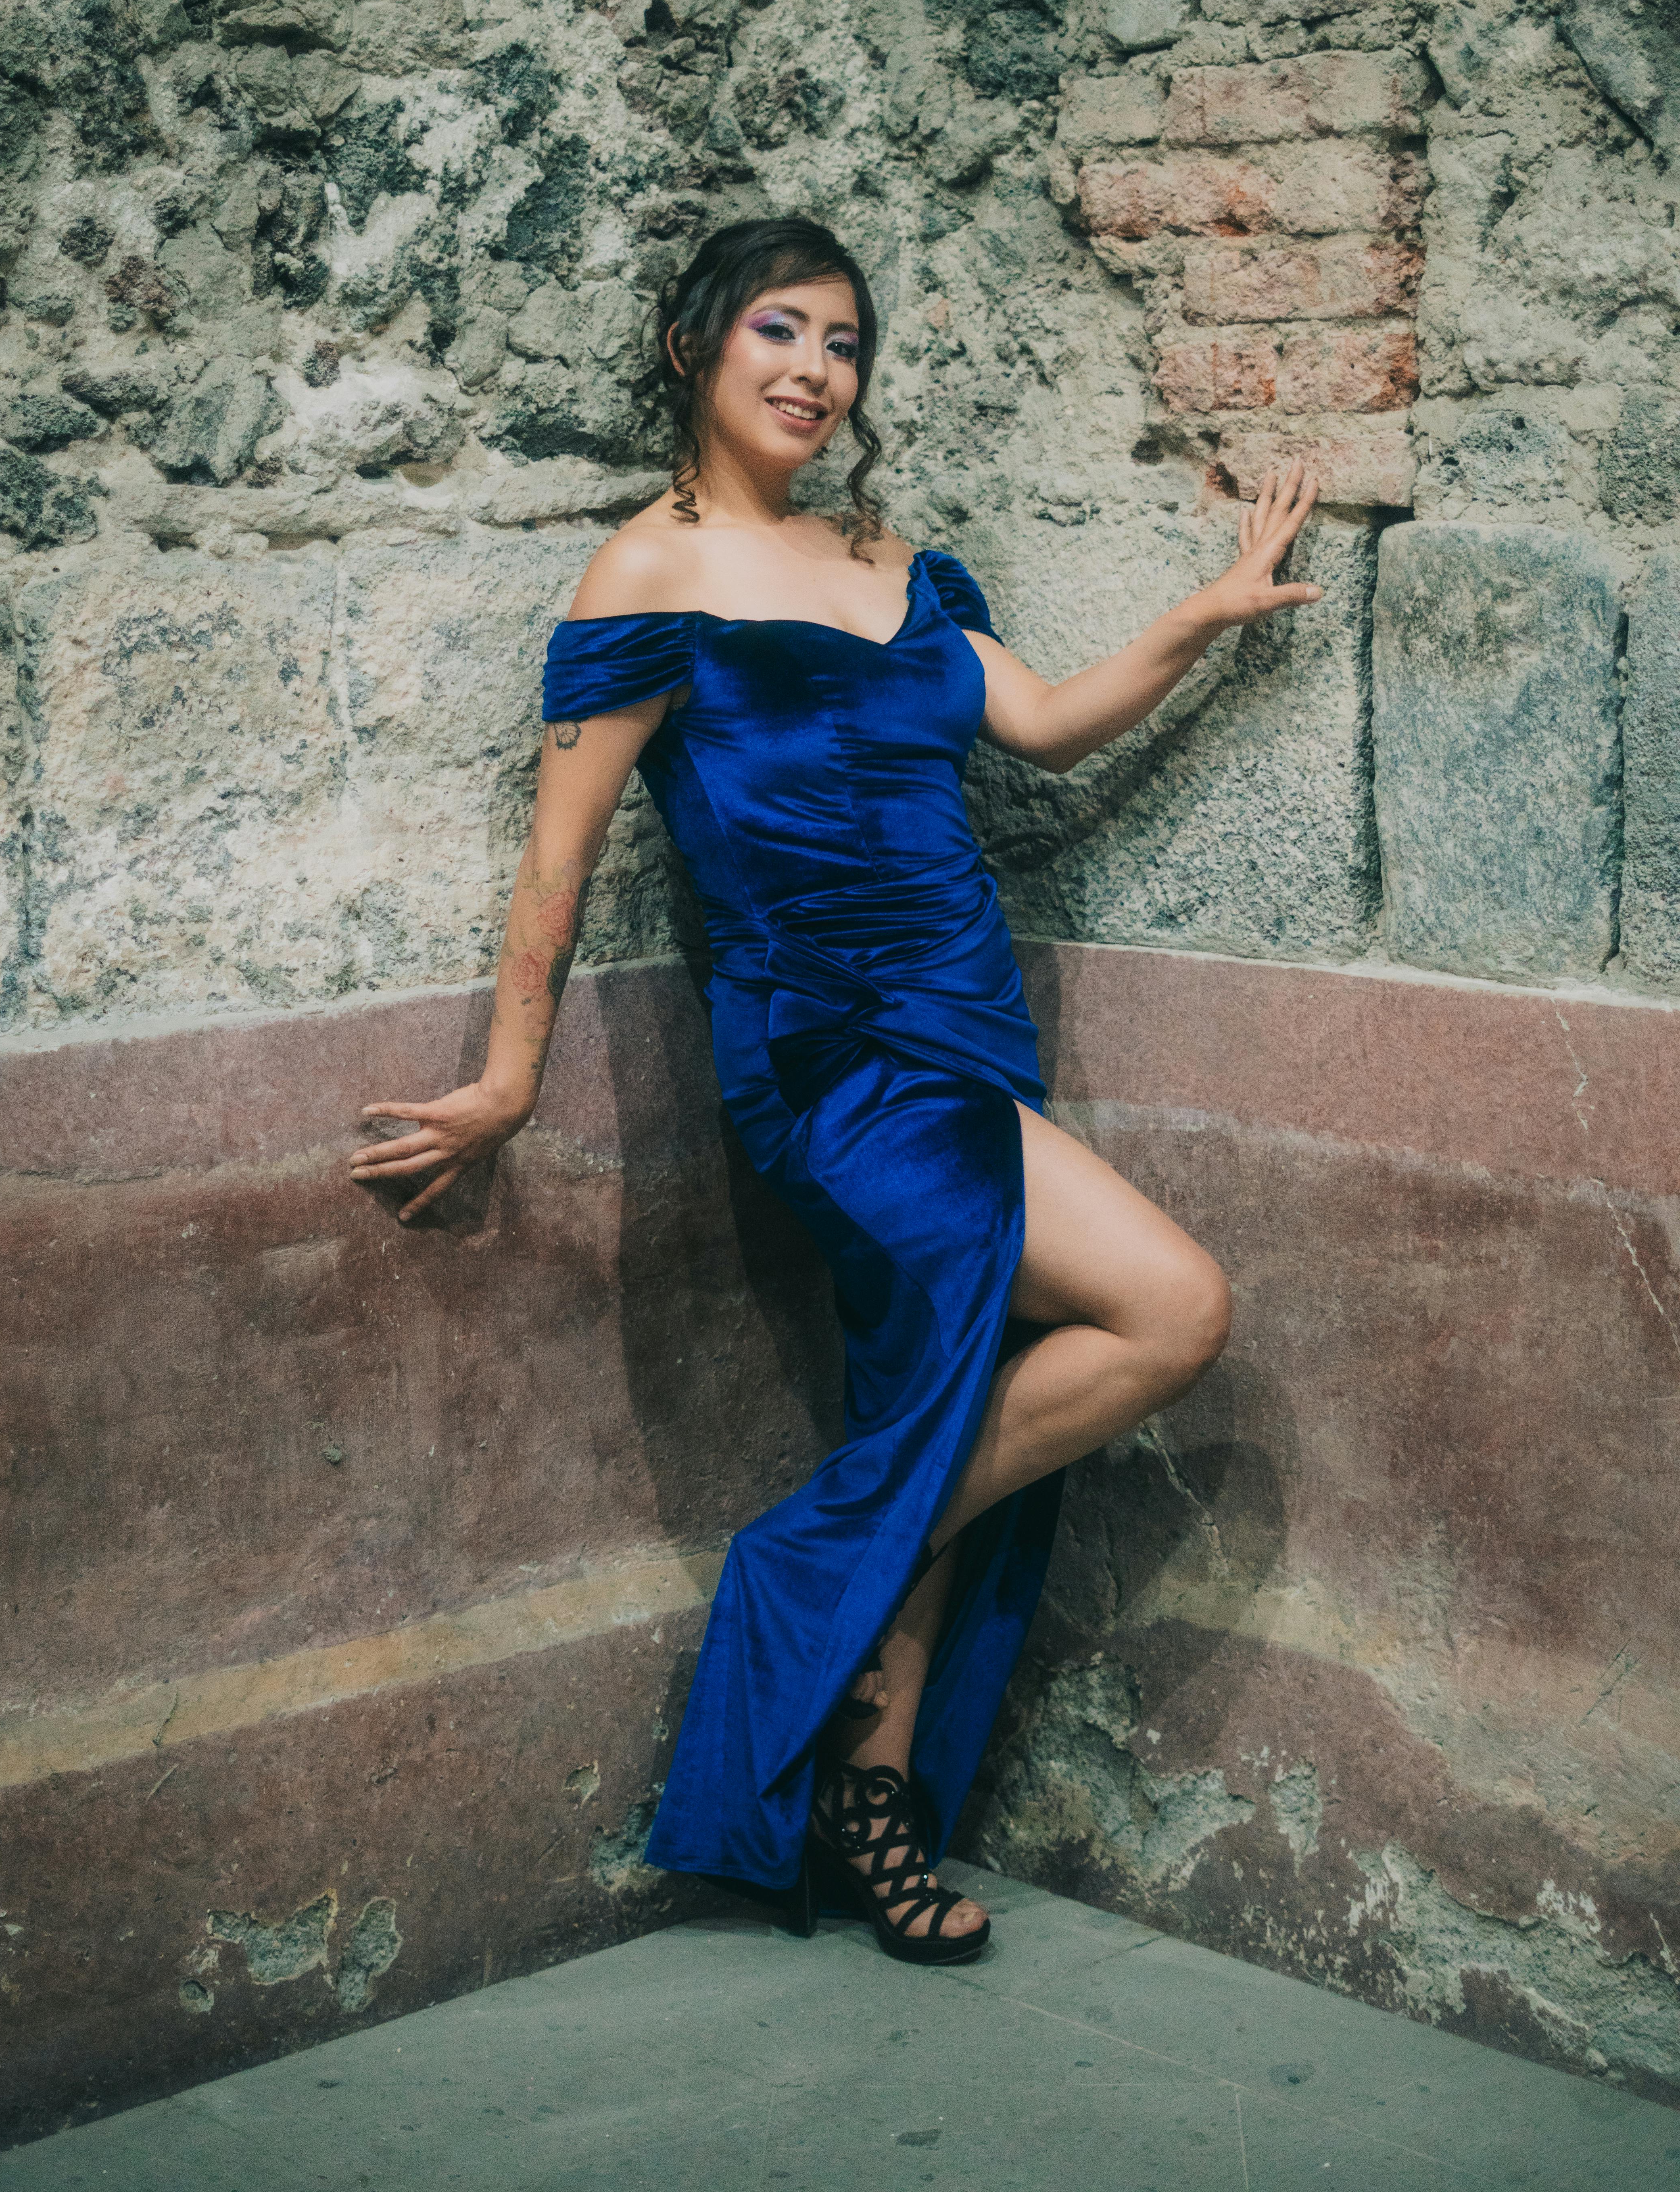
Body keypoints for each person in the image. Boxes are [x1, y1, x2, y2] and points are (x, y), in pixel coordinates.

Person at [349, 216, 1321, 1967]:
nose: (813, 368)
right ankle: (827, 1555)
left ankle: (867, 1799)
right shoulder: (645, 569)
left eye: (844, 340)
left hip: (968, 1023)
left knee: (931, 1365)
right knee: (1175, 1305)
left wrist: (1200, 617)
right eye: (777, 331)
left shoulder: (896, 557)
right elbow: (555, 856)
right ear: (692, 346)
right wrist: (508, 1079)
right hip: (830, 1058)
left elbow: (1036, 726)